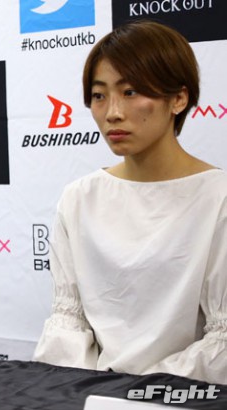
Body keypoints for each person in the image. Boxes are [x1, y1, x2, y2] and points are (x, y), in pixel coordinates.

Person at [33, 20, 226, 384]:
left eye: (131, 91)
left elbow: (222, 342)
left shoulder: (218, 198)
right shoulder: (80, 198)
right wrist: (81, 393)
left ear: (178, 99)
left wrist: (136, 394)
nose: (113, 113)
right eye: (99, 95)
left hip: (184, 398)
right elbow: (68, 323)